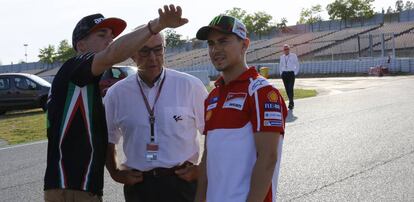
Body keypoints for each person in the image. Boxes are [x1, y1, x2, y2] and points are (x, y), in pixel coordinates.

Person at [44, 5, 188, 202]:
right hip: (71, 188)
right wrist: (157, 25)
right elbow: (113, 53)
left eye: (112, 36)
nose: (110, 41)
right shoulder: (75, 67)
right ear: (81, 46)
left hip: (80, 188)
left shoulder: (86, 81)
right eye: (102, 35)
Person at [104, 32, 208, 201]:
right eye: (144, 51)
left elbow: (212, 132)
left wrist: (202, 168)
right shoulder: (116, 94)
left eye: (158, 49)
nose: (152, 57)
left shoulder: (190, 86)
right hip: (139, 187)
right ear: (132, 54)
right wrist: (115, 172)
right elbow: (108, 138)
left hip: (182, 183)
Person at [194, 15, 288, 202]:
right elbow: (208, 157)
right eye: (211, 44)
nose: (215, 50)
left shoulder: (262, 92)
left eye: (223, 41)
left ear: (244, 45)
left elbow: (268, 159)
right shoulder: (213, 95)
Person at [279, 44, 299, 110]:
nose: (286, 50)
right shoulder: (282, 57)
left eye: (287, 49)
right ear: (283, 50)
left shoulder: (293, 56)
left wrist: (295, 73)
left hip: (291, 74)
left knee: (290, 88)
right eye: (285, 49)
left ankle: (291, 102)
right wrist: (281, 73)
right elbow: (280, 65)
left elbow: (297, 64)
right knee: (287, 89)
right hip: (284, 74)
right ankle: (291, 101)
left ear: (289, 49)